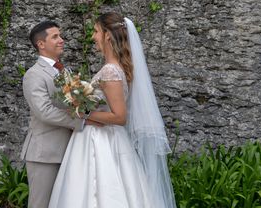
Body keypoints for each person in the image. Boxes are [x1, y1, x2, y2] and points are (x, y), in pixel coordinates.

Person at [48, 12, 177, 208]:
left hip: (102, 139)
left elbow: (119, 116)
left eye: (96, 31)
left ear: (108, 35)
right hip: (102, 136)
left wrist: (83, 114)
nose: (93, 37)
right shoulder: (114, 68)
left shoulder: (110, 71)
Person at [21, 21, 84, 208]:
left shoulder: (66, 71)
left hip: (69, 149)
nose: (61, 40)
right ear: (41, 44)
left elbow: (79, 102)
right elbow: (44, 112)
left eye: (61, 36)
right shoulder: (34, 75)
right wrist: (82, 122)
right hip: (45, 154)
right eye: (55, 37)